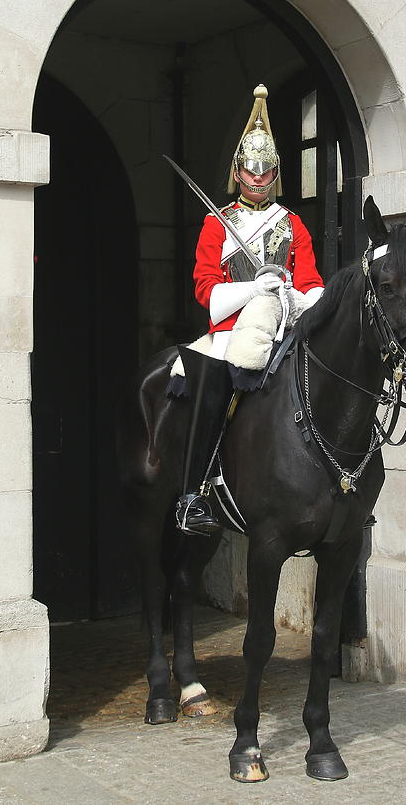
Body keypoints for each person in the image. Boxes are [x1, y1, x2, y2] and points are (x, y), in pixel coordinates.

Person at [176, 84, 324, 535]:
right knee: (213, 387)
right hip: (230, 329)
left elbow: (314, 283)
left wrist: (294, 297)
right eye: (249, 169)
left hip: (283, 325)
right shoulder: (215, 223)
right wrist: (253, 288)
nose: (257, 177)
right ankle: (193, 493)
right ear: (237, 171)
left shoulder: (292, 223)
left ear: (276, 172)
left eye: (265, 169)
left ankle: (340, 484)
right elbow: (207, 291)